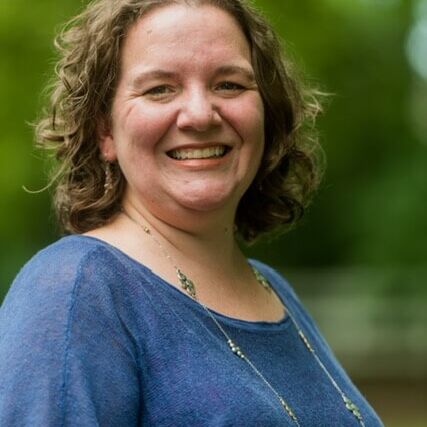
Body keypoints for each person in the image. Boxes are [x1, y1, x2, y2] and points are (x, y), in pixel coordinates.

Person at [0, 0, 384, 425]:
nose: (200, 114)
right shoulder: (77, 290)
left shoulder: (274, 291)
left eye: (230, 85)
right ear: (104, 130)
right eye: (159, 88)